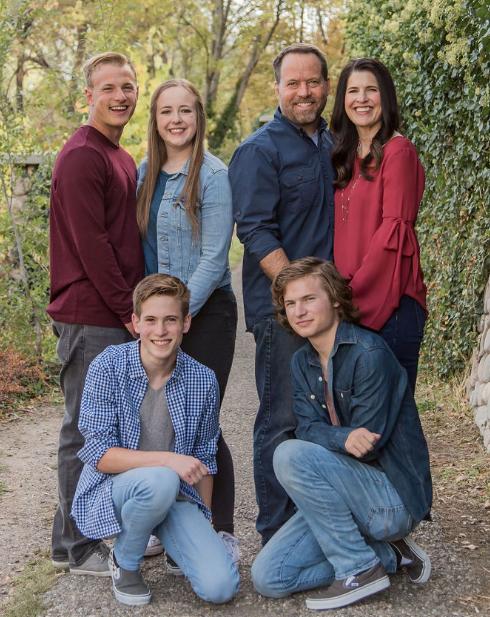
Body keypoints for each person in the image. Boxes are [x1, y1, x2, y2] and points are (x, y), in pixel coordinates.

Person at [251, 257, 432, 610]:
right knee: (269, 577)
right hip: (340, 492)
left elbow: (366, 447)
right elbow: (306, 428)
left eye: (309, 299)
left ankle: (358, 569)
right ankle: (390, 557)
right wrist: (341, 438)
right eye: (291, 303)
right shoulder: (302, 361)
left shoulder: (369, 354)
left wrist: (336, 440)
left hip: (389, 499)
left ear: (334, 299)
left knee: (288, 454)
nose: (299, 311)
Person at [71, 274, 240, 606]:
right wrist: (167, 460)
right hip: (115, 490)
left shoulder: (203, 380)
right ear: (135, 323)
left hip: (174, 494)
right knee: (161, 478)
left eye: (170, 320)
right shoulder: (108, 366)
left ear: (186, 323)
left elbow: (205, 458)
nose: (160, 331)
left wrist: (203, 524)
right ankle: (126, 562)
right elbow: (100, 453)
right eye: (150, 320)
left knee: (220, 587)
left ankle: (173, 540)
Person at [229, 43, 335, 544]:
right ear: (277, 89)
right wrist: (297, 297)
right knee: (282, 417)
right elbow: (254, 230)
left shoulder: (333, 144)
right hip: (282, 312)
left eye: (312, 82)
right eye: (293, 83)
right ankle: (275, 530)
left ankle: (316, 524)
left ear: (326, 87)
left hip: (331, 311)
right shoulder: (259, 150)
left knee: (325, 414)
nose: (303, 92)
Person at [47, 52, 144, 575]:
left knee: (108, 428)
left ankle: (93, 528)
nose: (120, 96)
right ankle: (73, 547)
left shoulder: (118, 155)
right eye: (108, 88)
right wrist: (130, 311)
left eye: (127, 86)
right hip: (91, 314)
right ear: (89, 95)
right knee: (84, 431)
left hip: (111, 313)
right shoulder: (83, 156)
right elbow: (92, 246)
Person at [136, 79, 238, 562]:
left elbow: (215, 258)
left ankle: (219, 528)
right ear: (155, 122)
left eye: (185, 111)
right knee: (160, 421)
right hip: (162, 317)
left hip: (207, 312)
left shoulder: (213, 175)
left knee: (201, 420)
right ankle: (168, 523)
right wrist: (153, 317)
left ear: (198, 117)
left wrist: (181, 313)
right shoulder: (145, 175)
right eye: (165, 112)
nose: (176, 120)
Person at [331, 57, 427, 393]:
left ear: (385, 96)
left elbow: (393, 238)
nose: (362, 98)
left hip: (390, 304)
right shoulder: (345, 155)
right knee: (362, 423)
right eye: (353, 90)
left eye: (371, 90)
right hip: (355, 305)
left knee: (394, 422)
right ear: (343, 99)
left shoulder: (398, 152)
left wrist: (348, 296)